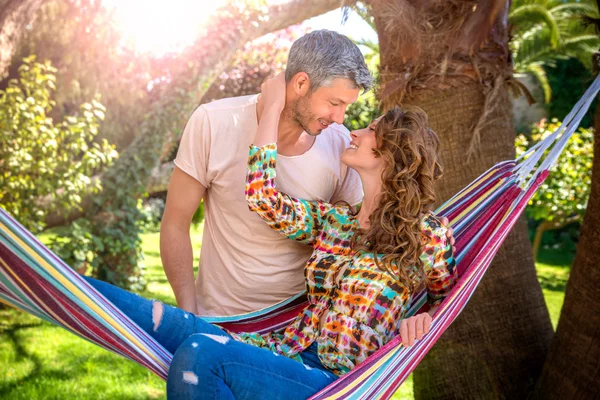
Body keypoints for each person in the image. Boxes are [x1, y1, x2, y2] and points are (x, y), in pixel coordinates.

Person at [84, 73, 457, 399]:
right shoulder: (335, 222)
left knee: (201, 354)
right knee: (159, 320)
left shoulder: (427, 235)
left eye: (372, 130)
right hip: (283, 351)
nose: (355, 131)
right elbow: (262, 196)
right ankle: (48, 280)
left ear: (394, 154)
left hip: (337, 382)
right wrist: (273, 109)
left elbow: (447, 299)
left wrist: (423, 317)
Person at [161, 29, 455, 317]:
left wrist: (420, 314)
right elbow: (180, 221)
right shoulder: (213, 123)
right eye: (334, 103)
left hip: (303, 328)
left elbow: (363, 242)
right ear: (301, 83)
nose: (342, 120)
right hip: (222, 317)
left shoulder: (339, 145)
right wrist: (189, 317)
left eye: (346, 106)